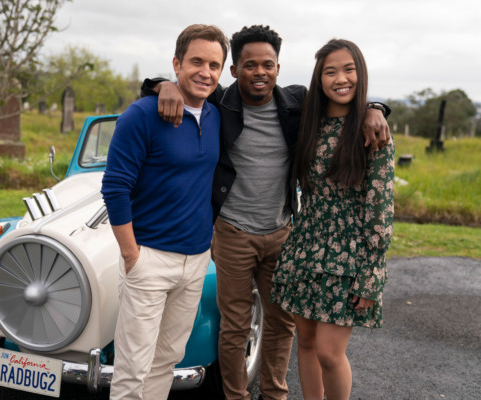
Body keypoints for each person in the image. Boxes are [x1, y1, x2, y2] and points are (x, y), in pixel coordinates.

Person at [142, 25, 390, 400]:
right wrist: (163, 85)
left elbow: (343, 100)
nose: (260, 72)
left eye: (268, 64)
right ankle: (236, 396)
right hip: (233, 233)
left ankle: (274, 395)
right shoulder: (220, 103)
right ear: (234, 70)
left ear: (278, 67)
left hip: (283, 234)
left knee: (282, 324)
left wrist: (376, 108)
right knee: (235, 326)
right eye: (250, 65)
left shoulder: (296, 104)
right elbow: (176, 87)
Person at [101, 24, 228, 400]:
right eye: (196, 62)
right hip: (149, 258)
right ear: (177, 63)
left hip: (196, 261)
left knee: (167, 360)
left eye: (214, 65)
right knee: (133, 367)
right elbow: (115, 187)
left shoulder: (216, 114)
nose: (205, 72)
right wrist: (131, 256)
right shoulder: (142, 115)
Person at [270, 39, 394, 400]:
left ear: (361, 73)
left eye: (349, 69)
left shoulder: (372, 132)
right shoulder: (309, 124)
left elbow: (381, 208)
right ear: (319, 78)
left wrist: (372, 272)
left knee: (329, 351)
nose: (340, 78)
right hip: (305, 246)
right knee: (306, 343)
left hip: (348, 255)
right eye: (330, 71)